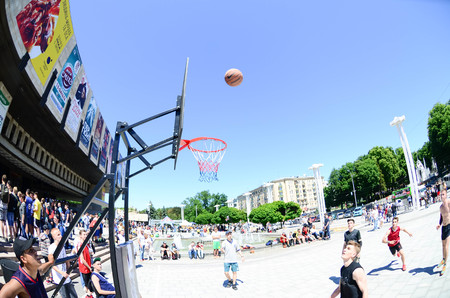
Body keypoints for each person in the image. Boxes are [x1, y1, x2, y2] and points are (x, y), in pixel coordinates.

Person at [48, 228, 77, 297]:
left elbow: (65, 259)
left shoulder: (62, 247)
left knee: (74, 296)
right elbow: (51, 264)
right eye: (58, 235)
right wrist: (61, 273)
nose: (60, 236)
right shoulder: (51, 247)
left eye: (60, 234)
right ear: (53, 237)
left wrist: (68, 268)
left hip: (66, 276)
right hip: (59, 278)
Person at [436, 182, 449, 276]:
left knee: (447, 246)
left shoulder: (448, 203)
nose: (442, 196)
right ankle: (443, 259)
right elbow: (441, 217)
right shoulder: (441, 207)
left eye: (443, 194)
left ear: (446, 195)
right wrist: (439, 224)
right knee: (443, 245)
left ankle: (445, 264)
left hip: (449, 226)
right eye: (441, 195)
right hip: (443, 227)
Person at [77, 229, 94, 297]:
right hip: (85, 268)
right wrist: (89, 267)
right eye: (84, 234)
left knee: (90, 286)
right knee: (88, 286)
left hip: (88, 266)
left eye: (86, 234)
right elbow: (82, 259)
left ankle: (89, 295)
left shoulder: (85, 244)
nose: (85, 236)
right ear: (80, 236)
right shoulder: (80, 245)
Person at [0, 174, 9, 241]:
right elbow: (8, 199)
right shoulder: (7, 187)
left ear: (2, 179)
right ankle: (6, 236)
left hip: (1, 205)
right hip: (6, 206)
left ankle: (2, 236)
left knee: (1, 221)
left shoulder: (1, 186)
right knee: (5, 222)